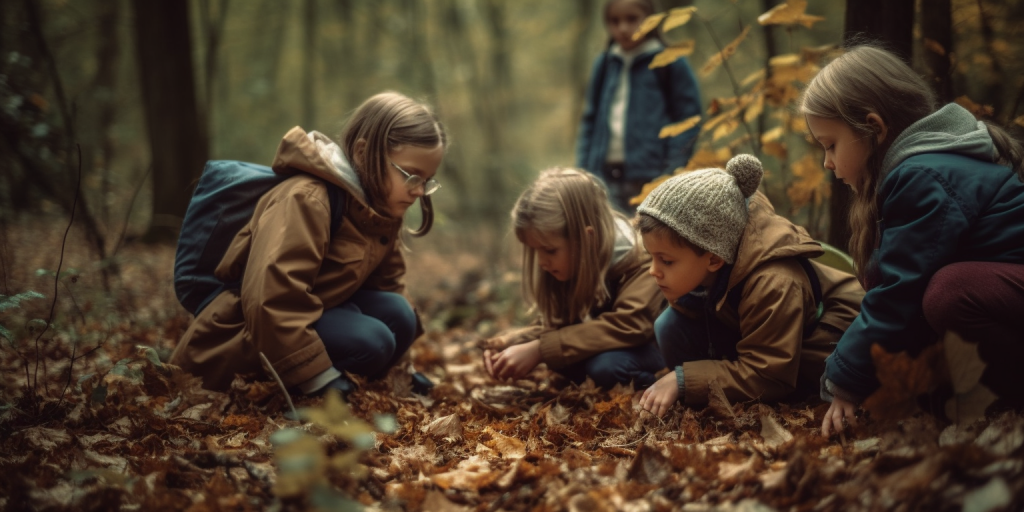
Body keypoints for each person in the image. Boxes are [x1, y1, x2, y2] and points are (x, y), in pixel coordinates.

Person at [800, 45, 1024, 436]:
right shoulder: (922, 167)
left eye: (830, 144)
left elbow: (898, 295)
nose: (828, 163)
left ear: (874, 128)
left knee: (949, 292)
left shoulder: (921, 175)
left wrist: (845, 381)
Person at [170, 92, 447, 396]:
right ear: (362, 152)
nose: (419, 191)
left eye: (428, 180)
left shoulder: (378, 209)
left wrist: (402, 369)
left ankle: (353, 382)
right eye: (411, 176)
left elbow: (390, 286)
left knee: (399, 313)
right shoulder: (307, 199)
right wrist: (320, 378)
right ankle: (304, 386)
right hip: (245, 338)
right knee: (373, 341)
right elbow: (271, 302)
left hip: (313, 316)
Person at [635, 154, 865, 417]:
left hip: (828, 359)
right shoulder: (716, 260)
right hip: (769, 346)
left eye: (665, 261)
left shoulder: (774, 282)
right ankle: (708, 400)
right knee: (670, 325)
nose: (654, 271)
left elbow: (769, 373)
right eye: (650, 257)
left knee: (676, 343)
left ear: (713, 259)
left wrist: (682, 380)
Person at [482, 167, 666, 390]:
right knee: (566, 359)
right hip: (608, 345)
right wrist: (511, 343)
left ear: (586, 237)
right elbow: (567, 323)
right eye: (535, 251)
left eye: (549, 251)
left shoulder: (640, 257)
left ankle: (662, 389)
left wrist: (540, 349)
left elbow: (630, 324)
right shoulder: (576, 260)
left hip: (652, 349)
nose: (541, 262)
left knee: (606, 367)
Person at [576, 0, 703, 214]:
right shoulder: (605, 63)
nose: (623, 28)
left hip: (651, 179)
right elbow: (590, 120)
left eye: (632, 19)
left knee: (647, 244)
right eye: (614, 21)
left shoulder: (670, 61)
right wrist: (584, 172)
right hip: (604, 179)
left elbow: (688, 119)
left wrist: (670, 172)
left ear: (650, 20)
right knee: (610, 243)